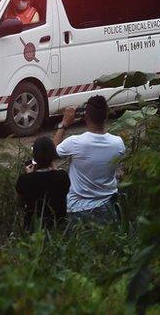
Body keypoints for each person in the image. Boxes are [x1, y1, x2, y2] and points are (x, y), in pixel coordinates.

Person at [54, 96, 126, 224]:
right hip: (108, 208)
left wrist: (63, 124)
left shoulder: (75, 142)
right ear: (106, 116)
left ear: (85, 116)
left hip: (78, 209)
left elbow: (51, 152)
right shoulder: (118, 143)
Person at [16, 136, 70, 230]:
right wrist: (56, 171)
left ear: (34, 156)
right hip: (58, 225)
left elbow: (20, 201)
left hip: (34, 226)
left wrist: (29, 175)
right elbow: (64, 192)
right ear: (53, 155)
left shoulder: (25, 180)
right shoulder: (62, 176)